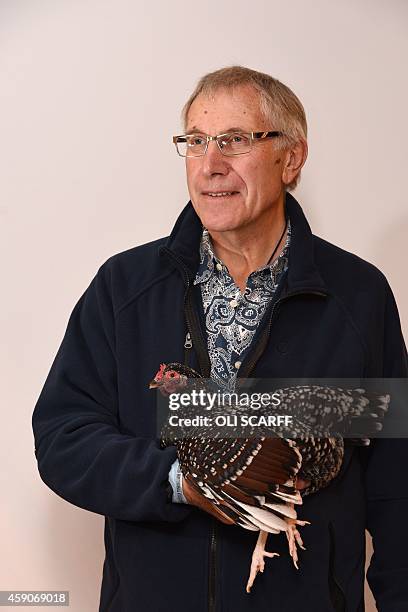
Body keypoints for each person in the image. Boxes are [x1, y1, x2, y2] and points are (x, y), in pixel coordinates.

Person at [32, 66, 408, 612]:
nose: (210, 165)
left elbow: (396, 483)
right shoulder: (124, 288)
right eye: (196, 142)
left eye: (234, 141)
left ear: (291, 157)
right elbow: (63, 438)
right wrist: (178, 480)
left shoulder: (358, 296)